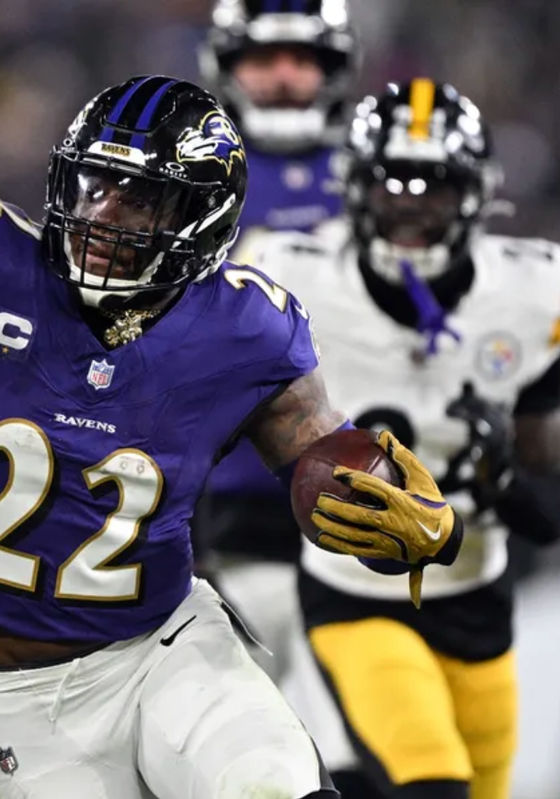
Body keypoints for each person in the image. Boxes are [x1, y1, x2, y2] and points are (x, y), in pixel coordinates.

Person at [0, 74, 463, 799]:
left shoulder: (245, 326)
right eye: (95, 184)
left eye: (141, 197)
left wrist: (413, 515)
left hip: (168, 649)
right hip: (26, 699)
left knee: (274, 788)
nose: (104, 212)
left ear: (202, 217)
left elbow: (332, 472)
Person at [256, 79, 560, 799]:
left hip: (479, 594)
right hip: (353, 592)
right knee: (432, 785)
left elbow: (549, 515)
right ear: (354, 187)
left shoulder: (531, 295)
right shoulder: (289, 273)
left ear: (478, 192)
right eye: (391, 180)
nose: (412, 200)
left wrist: (503, 483)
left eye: (435, 181)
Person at [195, 0, 358, 676]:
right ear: (229, 66)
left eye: (303, 59)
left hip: (362, 487)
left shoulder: (384, 182)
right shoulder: (191, 182)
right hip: (227, 495)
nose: (287, 77)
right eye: (265, 60)